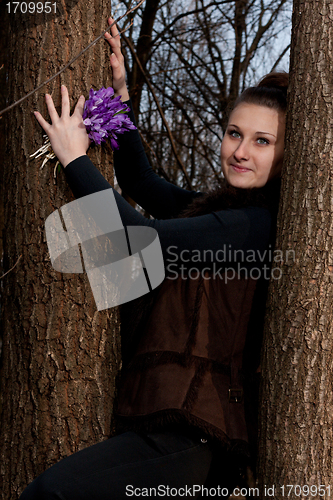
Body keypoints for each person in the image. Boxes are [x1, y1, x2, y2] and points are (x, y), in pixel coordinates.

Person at [20, 17, 288, 500]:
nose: (240, 151)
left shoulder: (253, 226)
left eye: (262, 141)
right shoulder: (221, 216)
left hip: (192, 441)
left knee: (51, 494)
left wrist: (75, 159)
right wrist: (116, 99)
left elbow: (144, 237)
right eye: (233, 133)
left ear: (286, 156)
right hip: (172, 435)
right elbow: (146, 185)